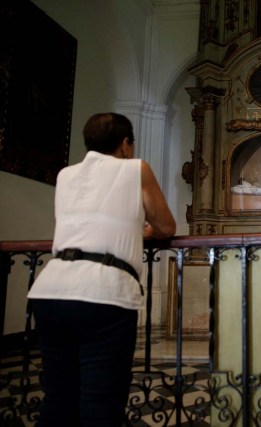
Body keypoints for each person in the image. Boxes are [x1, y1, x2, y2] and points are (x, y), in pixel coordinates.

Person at [27, 112, 176, 427]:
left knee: (58, 401)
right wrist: (139, 228)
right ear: (125, 145)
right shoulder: (136, 169)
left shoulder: (66, 175)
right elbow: (165, 226)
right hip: (103, 294)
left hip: (49, 291)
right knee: (100, 405)